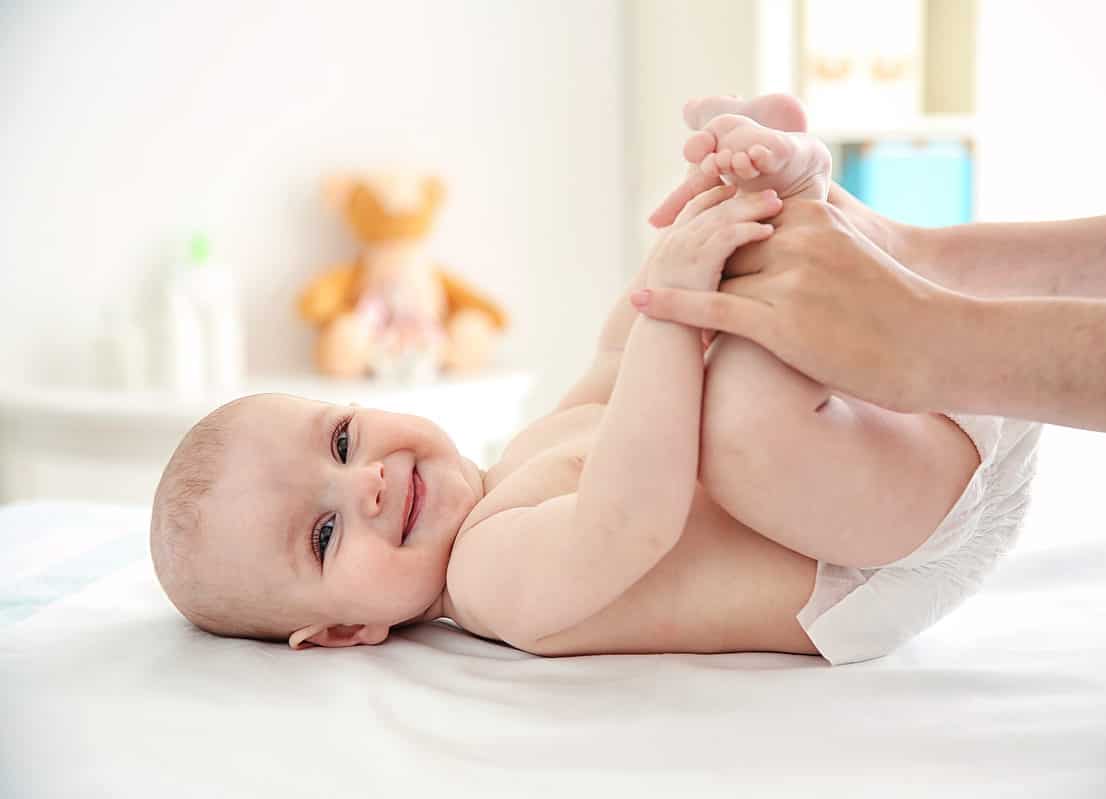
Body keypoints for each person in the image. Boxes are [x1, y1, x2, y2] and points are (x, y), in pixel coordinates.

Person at [150, 100, 1038, 666]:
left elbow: (621, 356)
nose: (367, 480)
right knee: (733, 383)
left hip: (891, 451)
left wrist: (690, 232)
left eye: (342, 441)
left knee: (743, 299)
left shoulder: (517, 460)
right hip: (873, 560)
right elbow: (632, 514)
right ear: (345, 630)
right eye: (325, 530)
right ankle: (800, 206)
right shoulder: (491, 579)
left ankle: (782, 186)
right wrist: (680, 298)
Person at [641, 95, 1106, 440]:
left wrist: (933, 340)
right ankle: (820, 209)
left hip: (952, 407)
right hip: (951, 412)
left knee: (739, 410)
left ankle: (802, 202)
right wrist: (903, 257)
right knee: (736, 397)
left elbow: (628, 522)